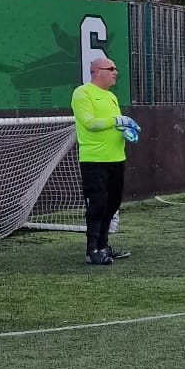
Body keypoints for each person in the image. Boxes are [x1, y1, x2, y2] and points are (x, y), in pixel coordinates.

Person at [70, 54, 135, 266]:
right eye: (111, 68)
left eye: (115, 68)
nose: (116, 72)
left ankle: (103, 246)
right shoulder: (82, 93)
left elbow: (113, 125)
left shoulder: (111, 96)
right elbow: (90, 123)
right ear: (97, 72)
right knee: (97, 204)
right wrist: (117, 120)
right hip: (95, 160)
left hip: (117, 159)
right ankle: (92, 250)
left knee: (113, 202)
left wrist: (126, 130)